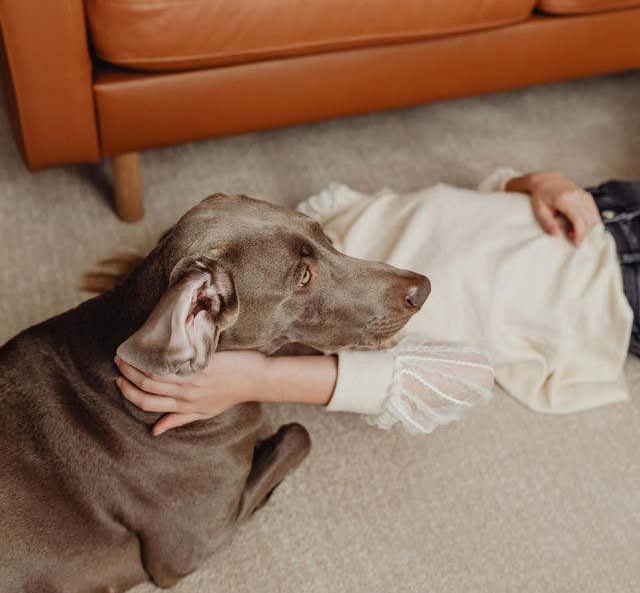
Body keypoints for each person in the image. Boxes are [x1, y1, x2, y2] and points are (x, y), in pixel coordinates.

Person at [115, 170, 640, 436]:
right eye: (303, 278)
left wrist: (538, 181)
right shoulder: (367, 323)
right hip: (616, 291)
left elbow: (477, 198)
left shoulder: (317, 218)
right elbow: (464, 379)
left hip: (601, 204)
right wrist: (253, 377)